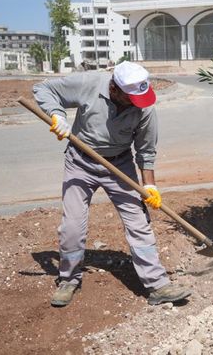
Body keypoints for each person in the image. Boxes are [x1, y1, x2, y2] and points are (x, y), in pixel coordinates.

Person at [33, 61, 192, 307]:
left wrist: (150, 186)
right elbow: (43, 89)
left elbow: (146, 150)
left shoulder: (144, 107)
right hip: (80, 161)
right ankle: (68, 279)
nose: (138, 104)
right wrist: (57, 114)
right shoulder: (88, 83)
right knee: (72, 225)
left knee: (139, 223)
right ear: (114, 89)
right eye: (131, 98)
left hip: (120, 165)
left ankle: (158, 285)